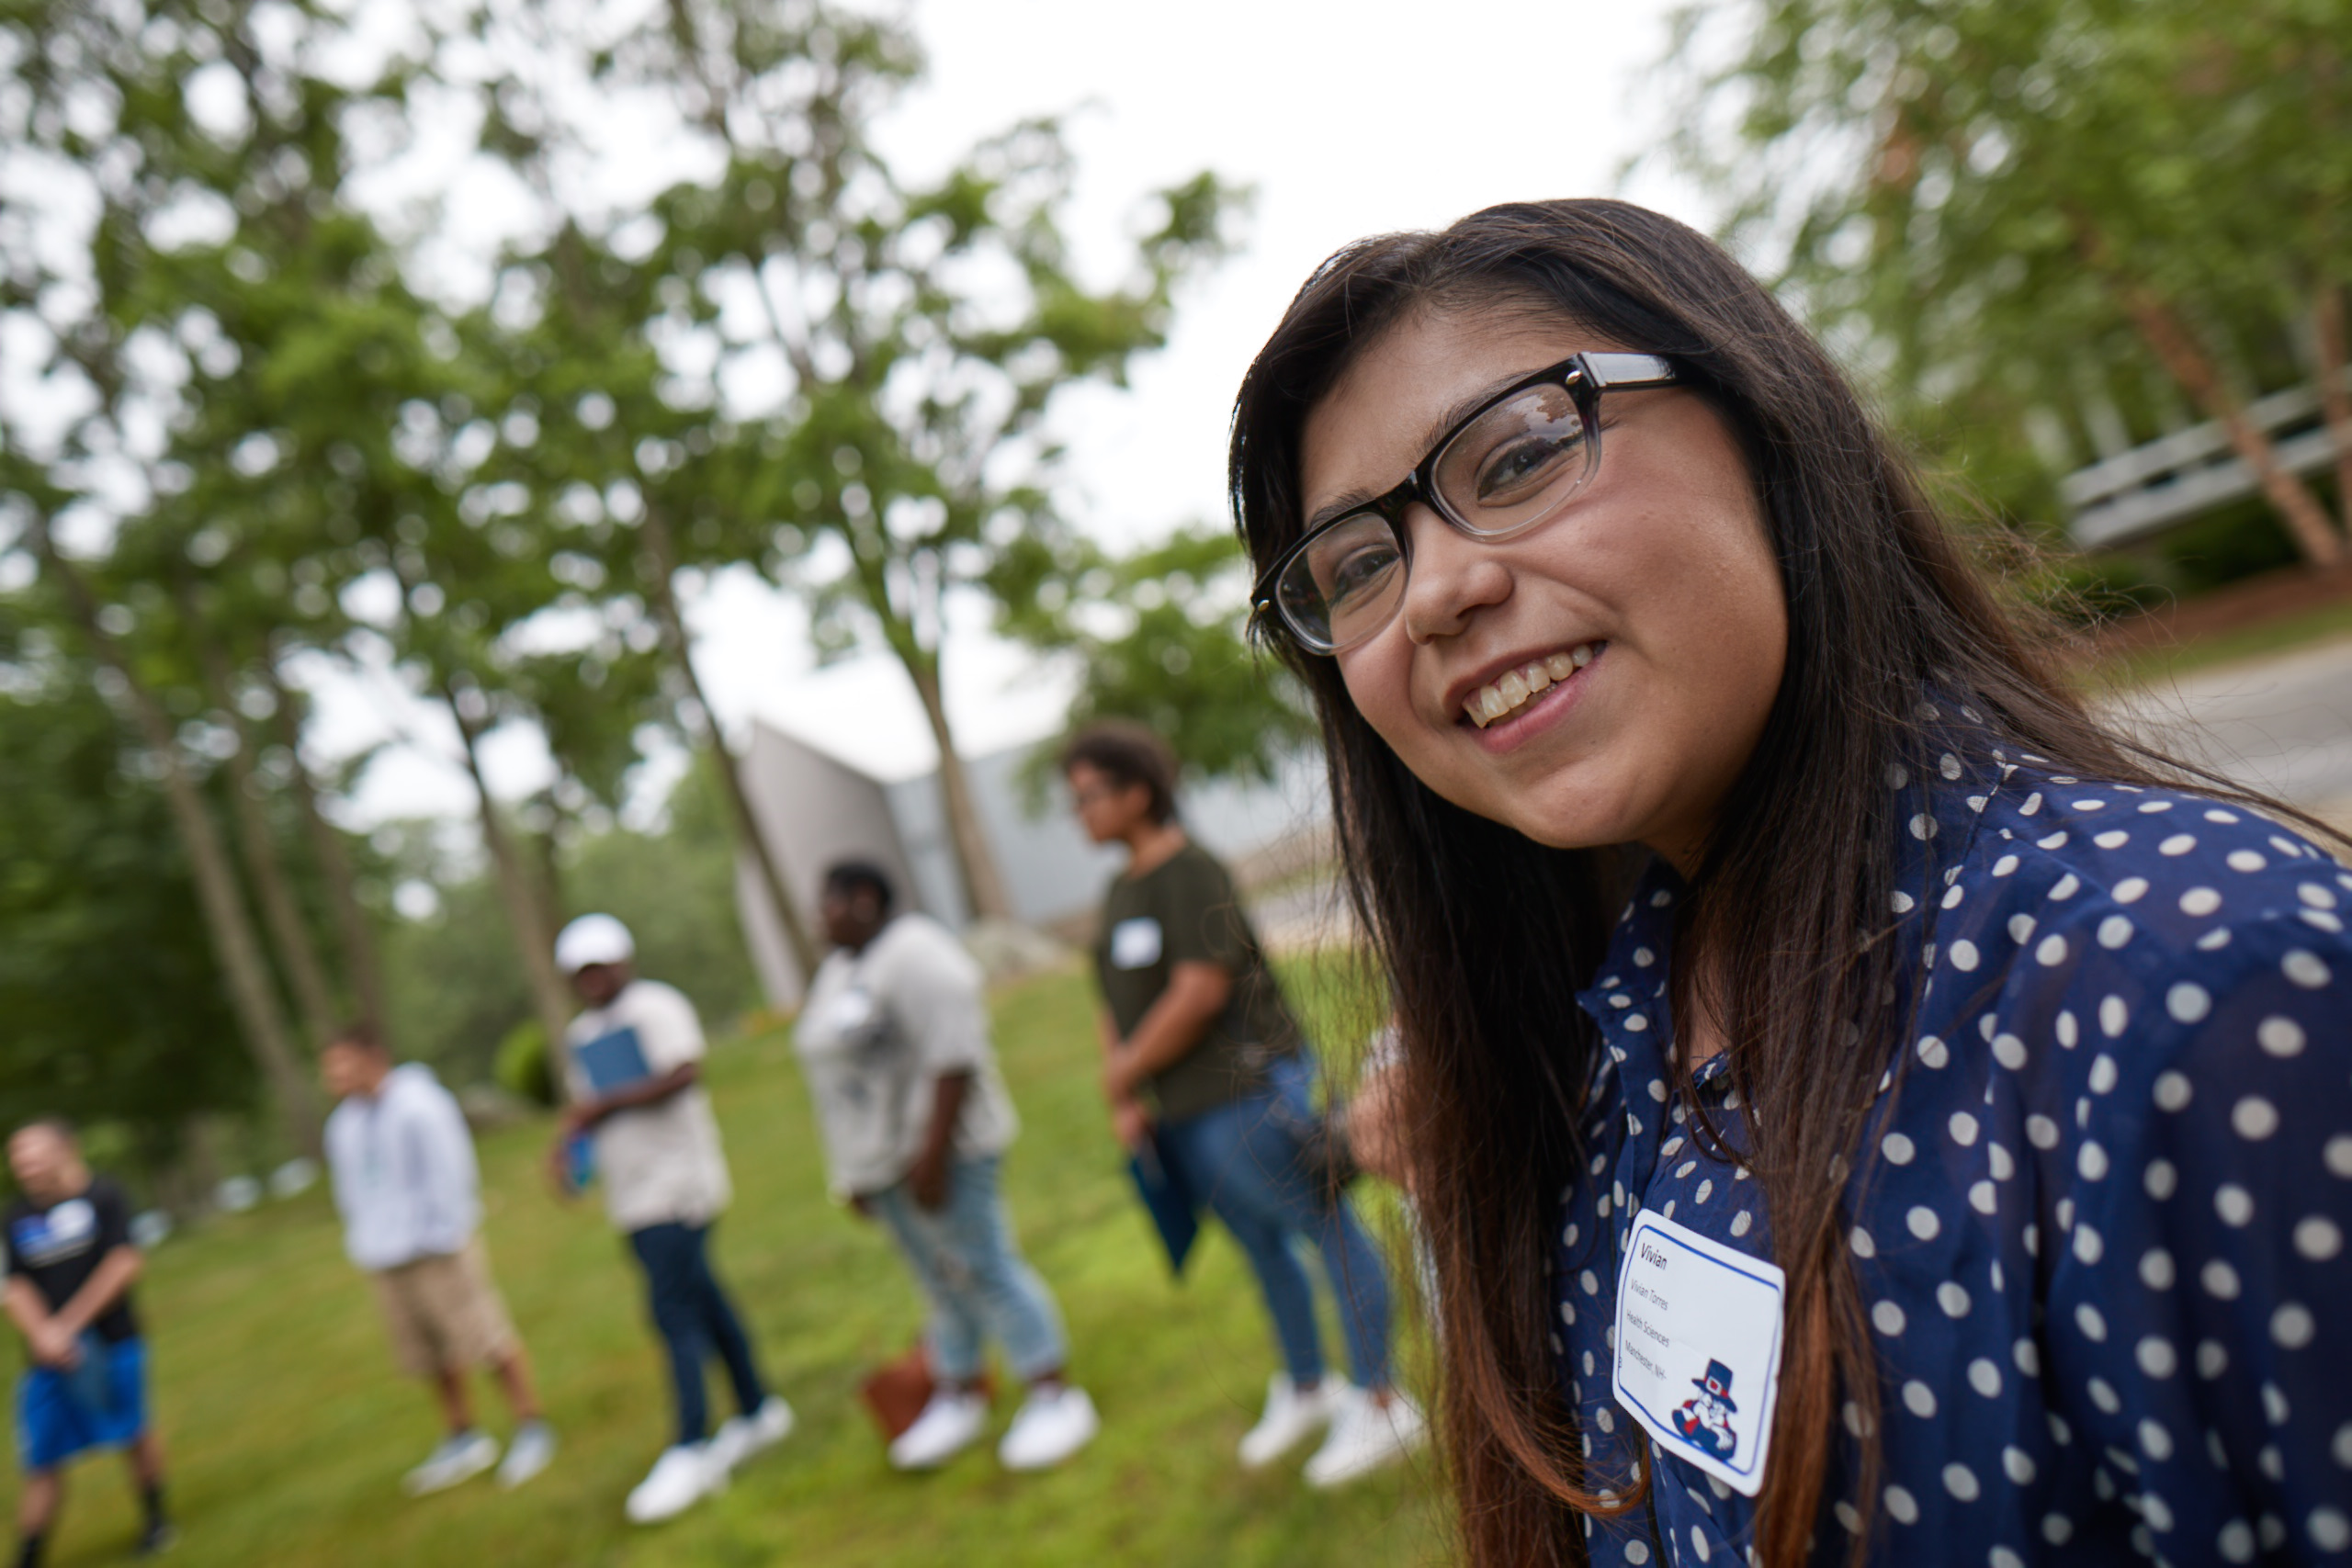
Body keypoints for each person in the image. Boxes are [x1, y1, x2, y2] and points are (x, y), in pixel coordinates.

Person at [1228, 197, 2352, 1565]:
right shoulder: (1601, 1036)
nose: (1436, 591)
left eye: (1519, 454)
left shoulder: (2185, 981)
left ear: (1768, 430)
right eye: (1354, 565)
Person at [1062, 721, 1423, 1487]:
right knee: (1261, 1247)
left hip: (1248, 1090)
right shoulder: (1120, 888)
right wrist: (1123, 1087)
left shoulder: (1193, 871)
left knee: (1323, 1226)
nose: (1081, 812)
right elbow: (1112, 997)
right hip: (1183, 1108)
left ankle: (1383, 1396)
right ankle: (1307, 1385)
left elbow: (1199, 990)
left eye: (1090, 795)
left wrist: (1124, 1070)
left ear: (1138, 791)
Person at [794, 861, 1101, 1472]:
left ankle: (1054, 1391)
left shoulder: (918, 954)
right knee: (936, 1281)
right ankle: (959, 1392)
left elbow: (954, 1055)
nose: (817, 915)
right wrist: (853, 1171)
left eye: (826, 901)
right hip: (884, 1165)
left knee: (984, 1265)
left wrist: (932, 1155)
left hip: (943, 1153)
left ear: (862, 899)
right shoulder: (840, 969)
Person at [548, 913, 792, 1525]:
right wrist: (571, 1150)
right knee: (704, 1299)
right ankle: (758, 1408)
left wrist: (605, 1103)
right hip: (631, 1194)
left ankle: (692, 1445)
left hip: (679, 1186)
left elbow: (684, 1071)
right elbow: (589, 1109)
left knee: (673, 1312)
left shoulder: (657, 1007)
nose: (594, 980)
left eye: (601, 967)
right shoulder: (583, 1033)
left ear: (624, 960)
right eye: (582, 973)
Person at [320, 1024, 556, 1496]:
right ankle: (463, 1434)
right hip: (385, 1252)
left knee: (483, 1334)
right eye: (330, 1068)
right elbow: (352, 1190)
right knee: (427, 1352)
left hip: (437, 1247)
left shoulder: (419, 1105)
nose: (336, 1076)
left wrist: (444, 1232)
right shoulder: (342, 1125)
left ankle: (531, 1425)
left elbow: (451, 1170)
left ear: (373, 1058)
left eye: (344, 1064)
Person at [4, 1120, 171, 1563]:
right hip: (48, 1360)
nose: (26, 1166)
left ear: (65, 1151)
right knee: (40, 1459)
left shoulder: (105, 1196)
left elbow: (124, 1262)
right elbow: (14, 1287)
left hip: (113, 1343)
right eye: (19, 1159)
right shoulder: (14, 1218)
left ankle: (157, 1522)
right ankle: (27, 1556)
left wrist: (71, 1325)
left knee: (133, 1431)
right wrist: (44, 1334)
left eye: (35, 1155)